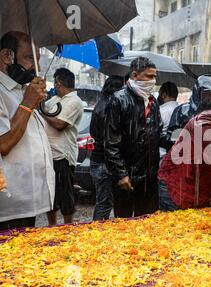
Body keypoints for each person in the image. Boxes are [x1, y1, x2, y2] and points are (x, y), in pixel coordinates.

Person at [0, 31, 53, 230]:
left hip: (29, 203)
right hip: (9, 205)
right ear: (7, 56)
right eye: (29, 58)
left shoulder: (22, 89)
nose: (35, 66)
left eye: (38, 59)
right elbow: (4, 144)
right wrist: (27, 104)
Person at [104, 57, 162, 218]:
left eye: (154, 77)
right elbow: (111, 142)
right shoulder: (118, 99)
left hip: (149, 177)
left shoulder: (153, 101)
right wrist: (121, 174)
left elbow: (159, 132)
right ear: (135, 75)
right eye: (149, 76)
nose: (153, 81)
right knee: (124, 225)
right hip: (127, 176)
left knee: (148, 222)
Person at [43, 68, 84, 226]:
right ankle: (51, 227)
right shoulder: (54, 99)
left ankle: (67, 228)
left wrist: (42, 113)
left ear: (59, 83)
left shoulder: (74, 101)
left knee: (65, 195)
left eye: (55, 83)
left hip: (63, 155)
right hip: (49, 154)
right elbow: (41, 107)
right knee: (50, 195)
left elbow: (60, 124)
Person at [90, 76, 124, 221]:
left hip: (98, 160)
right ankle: (97, 234)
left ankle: (99, 233)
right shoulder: (113, 108)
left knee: (103, 202)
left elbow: (93, 133)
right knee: (109, 203)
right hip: (107, 161)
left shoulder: (99, 106)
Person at [163, 74, 211, 150]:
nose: (209, 97)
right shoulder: (182, 110)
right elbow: (170, 136)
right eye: (205, 93)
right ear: (197, 93)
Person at [157, 81, 178, 159]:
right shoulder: (181, 110)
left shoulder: (160, 111)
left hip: (162, 154)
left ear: (164, 94)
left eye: (160, 93)